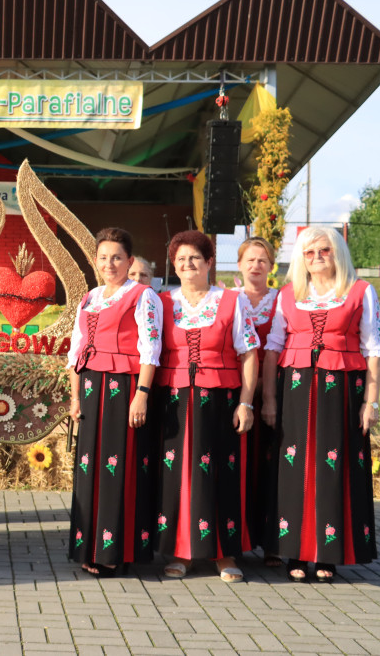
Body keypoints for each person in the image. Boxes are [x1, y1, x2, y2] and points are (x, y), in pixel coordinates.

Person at [261, 226, 380, 583]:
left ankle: (328, 554)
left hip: (340, 388)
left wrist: (370, 403)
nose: (317, 258)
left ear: (338, 253)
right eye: (309, 252)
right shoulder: (288, 295)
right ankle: (295, 551)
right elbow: (273, 349)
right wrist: (268, 399)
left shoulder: (361, 292)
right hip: (294, 390)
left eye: (324, 251)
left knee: (333, 467)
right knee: (294, 467)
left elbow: (373, 349)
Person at [155, 230, 259, 583]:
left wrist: (246, 403)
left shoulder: (232, 300)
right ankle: (181, 552)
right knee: (178, 474)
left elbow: (248, 354)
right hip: (175, 399)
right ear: (174, 266)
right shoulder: (162, 301)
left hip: (220, 399)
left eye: (195, 258)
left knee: (221, 475)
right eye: (181, 260)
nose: (188, 265)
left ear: (209, 263)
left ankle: (224, 553)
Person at [67, 228, 162, 577]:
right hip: (91, 386)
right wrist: (75, 396)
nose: (110, 264)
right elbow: (75, 350)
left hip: (124, 387)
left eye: (117, 257)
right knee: (89, 467)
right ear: (95, 261)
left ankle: (113, 549)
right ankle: (87, 544)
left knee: (117, 467)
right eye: (104, 257)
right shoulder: (89, 297)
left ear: (130, 261)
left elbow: (151, 348)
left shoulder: (143, 295)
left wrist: (142, 394)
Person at [232, 237, 280, 566]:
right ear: (239, 264)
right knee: (237, 467)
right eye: (250, 260)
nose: (255, 266)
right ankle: (234, 537)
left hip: (274, 394)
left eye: (262, 260)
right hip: (236, 395)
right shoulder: (228, 299)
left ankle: (272, 542)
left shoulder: (283, 300)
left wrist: (268, 389)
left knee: (272, 468)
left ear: (271, 265)